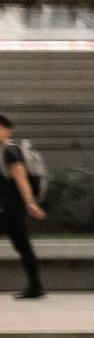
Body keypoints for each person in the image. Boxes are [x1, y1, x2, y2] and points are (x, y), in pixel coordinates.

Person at [0, 114, 43, 300]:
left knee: (23, 246)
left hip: (11, 209)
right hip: (7, 208)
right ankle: (36, 287)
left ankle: (36, 287)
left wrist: (30, 203)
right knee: (23, 246)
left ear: (5, 130)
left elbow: (21, 178)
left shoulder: (10, 151)